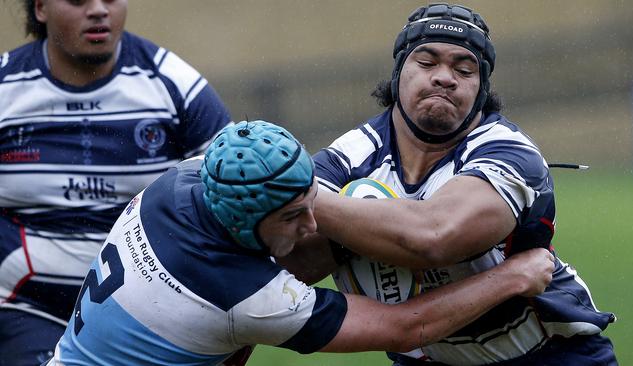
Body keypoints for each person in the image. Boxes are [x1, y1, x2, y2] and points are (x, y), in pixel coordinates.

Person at [45, 120, 554, 365]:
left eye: (312, 205)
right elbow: (405, 328)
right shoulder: (244, 297)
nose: (313, 226)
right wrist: (513, 275)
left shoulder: (175, 187)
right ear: (248, 222)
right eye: (293, 217)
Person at [309, 3, 618, 365]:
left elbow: (436, 236)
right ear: (398, 73)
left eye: (465, 68)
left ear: (481, 89)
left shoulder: (509, 151)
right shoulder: (351, 154)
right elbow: (290, 258)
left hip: (549, 355)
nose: (444, 77)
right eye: (426, 62)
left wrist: (295, 194)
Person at [0, 0, 230, 364]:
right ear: (41, 8)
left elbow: (233, 188)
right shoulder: (5, 87)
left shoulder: (173, 84)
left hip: (147, 313)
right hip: (27, 307)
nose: (98, 10)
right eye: (78, 0)